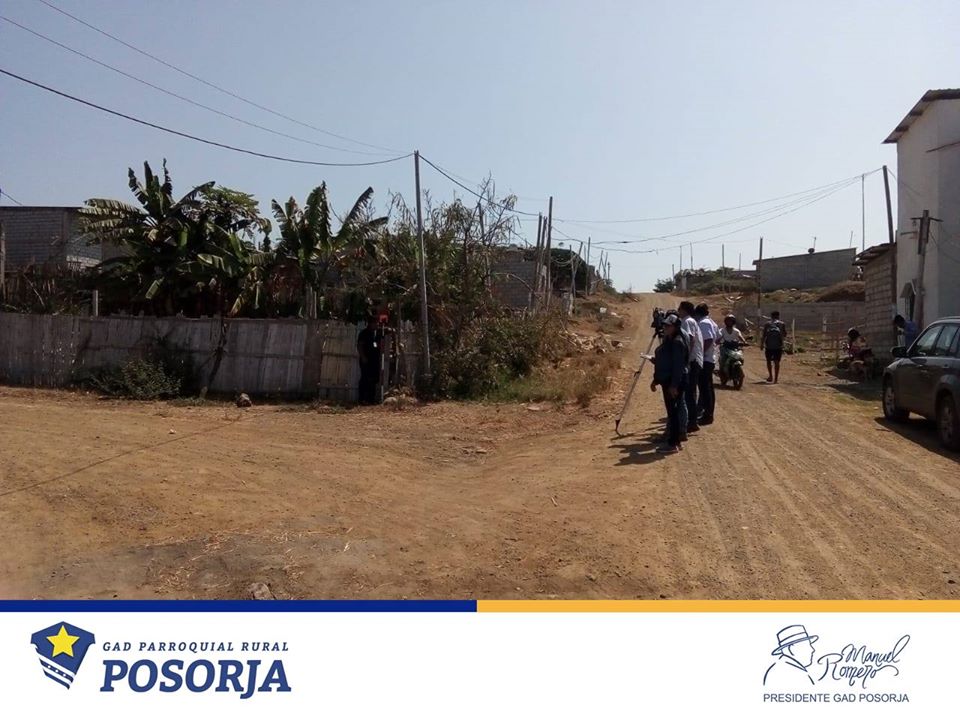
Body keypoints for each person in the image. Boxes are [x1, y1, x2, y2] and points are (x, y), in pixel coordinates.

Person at [649, 314, 688, 454]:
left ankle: (673, 443)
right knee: (672, 412)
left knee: (673, 413)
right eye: (664, 325)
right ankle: (675, 441)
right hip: (669, 380)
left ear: (675, 327)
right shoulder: (670, 340)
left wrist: (674, 385)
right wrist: (656, 379)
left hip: (673, 382)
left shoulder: (677, 342)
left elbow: (678, 366)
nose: (665, 328)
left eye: (668, 326)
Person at [677, 300, 703, 435]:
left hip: (692, 361)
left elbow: (690, 340)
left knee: (689, 393)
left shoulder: (687, 321)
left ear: (684, 310)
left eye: (680, 308)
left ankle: (691, 422)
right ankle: (692, 421)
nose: (678, 311)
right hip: (694, 360)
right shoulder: (690, 321)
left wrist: (685, 358)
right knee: (690, 392)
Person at [694, 303, 718, 425]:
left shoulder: (703, 323)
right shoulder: (711, 322)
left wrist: (701, 353)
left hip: (705, 360)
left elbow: (708, 339)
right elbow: (717, 338)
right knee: (708, 388)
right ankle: (708, 414)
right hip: (709, 359)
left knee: (705, 389)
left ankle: (707, 415)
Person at [356, 315, 383, 405]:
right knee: (365, 378)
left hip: (374, 360)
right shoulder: (364, 333)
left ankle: (371, 399)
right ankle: (362, 399)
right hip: (366, 360)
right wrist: (363, 357)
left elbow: (376, 344)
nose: (377, 325)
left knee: (374, 379)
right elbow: (360, 345)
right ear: (371, 323)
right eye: (375, 323)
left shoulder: (376, 334)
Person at [761, 310, 788, 383]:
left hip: (768, 346)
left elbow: (764, 335)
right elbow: (785, 334)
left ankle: (770, 376)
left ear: (771, 316)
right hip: (778, 346)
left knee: (768, 361)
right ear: (778, 316)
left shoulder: (767, 324)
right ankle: (776, 379)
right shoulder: (782, 324)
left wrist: (762, 344)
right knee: (777, 362)